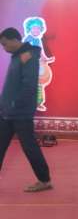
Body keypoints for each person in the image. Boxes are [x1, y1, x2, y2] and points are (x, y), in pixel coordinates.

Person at [0, 28, 52, 193]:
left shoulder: (28, 56)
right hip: (7, 112)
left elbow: (29, 86)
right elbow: (12, 85)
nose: (4, 48)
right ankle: (45, 180)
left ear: (14, 40)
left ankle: (44, 180)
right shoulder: (17, 56)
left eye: (5, 44)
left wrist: (13, 104)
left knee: (29, 147)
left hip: (20, 113)